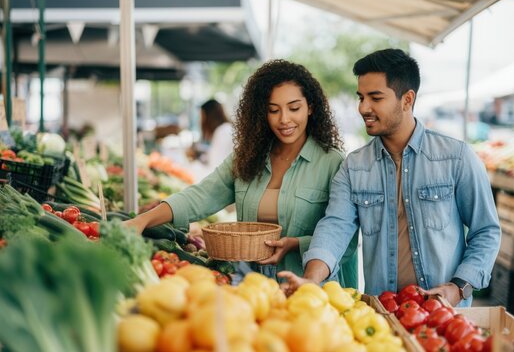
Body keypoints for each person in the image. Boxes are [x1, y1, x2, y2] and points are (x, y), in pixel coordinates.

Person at [279, 48, 500, 307]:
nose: (363, 107)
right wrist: (312, 279)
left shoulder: (456, 157)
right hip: (381, 314)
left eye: (375, 97)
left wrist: (458, 287)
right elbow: (335, 226)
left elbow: (485, 231)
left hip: (445, 318)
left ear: (407, 100)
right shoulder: (354, 166)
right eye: (361, 97)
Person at [125, 59, 359, 286]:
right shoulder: (248, 157)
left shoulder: (332, 162)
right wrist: (142, 220)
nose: (284, 119)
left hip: (306, 290)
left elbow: (344, 238)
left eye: (294, 108)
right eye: (273, 110)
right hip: (251, 288)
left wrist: (296, 243)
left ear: (311, 107)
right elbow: (201, 195)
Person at [187, 99, 233, 180]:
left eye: (202, 116)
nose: (200, 120)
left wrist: (194, 163)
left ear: (209, 116)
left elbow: (216, 171)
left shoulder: (224, 132)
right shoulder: (224, 129)